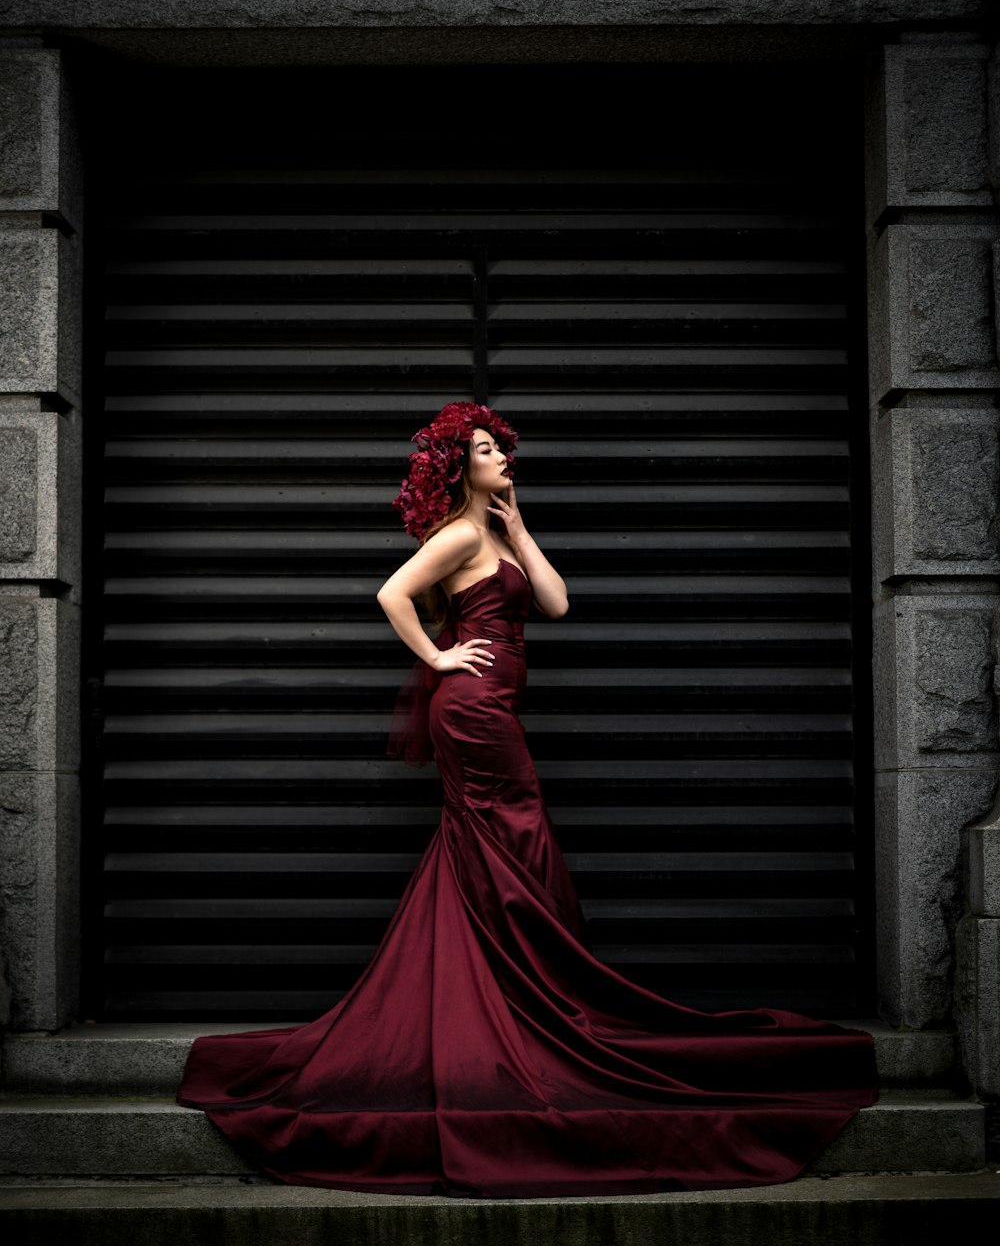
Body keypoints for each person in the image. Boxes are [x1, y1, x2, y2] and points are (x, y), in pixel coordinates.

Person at [176, 401, 879, 1197]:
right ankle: (525, 995)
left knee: (495, 844)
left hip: (491, 710)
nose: (503, 458)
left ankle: (517, 988)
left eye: (500, 448)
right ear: (457, 468)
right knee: (513, 833)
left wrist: (522, 528)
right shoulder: (461, 536)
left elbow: (556, 603)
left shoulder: (494, 530)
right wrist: (441, 659)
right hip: (474, 712)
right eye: (485, 451)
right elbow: (391, 596)